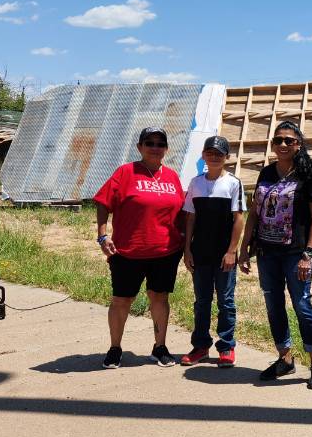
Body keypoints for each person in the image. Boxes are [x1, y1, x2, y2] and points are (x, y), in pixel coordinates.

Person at [239, 120, 312, 389]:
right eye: (278, 140)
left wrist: (308, 254)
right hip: (267, 252)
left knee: (302, 304)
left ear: (299, 144)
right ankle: (285, 358)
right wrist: (244, 248)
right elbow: (254, 212)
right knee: (273, 305)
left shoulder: (309, 175)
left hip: (296, 253)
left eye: (289, 140)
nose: (283, 144)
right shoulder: (266, 173)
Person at [94, 127, 185, 368]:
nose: (155, 147)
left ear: (166, 149)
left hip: (165, 252)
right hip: (128, 252)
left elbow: (182, 213)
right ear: (140, 147)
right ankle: (115, 348)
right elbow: (103, 202)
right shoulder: (126, 172)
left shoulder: (172, 177)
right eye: (149, 143)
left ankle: (160, 347)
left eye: (160, 143)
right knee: (122, 300)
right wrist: (102, 236)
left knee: (160, 297)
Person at [180, 136, 246, 368]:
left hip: (223, 254)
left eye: (219, 153)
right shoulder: (195, 183)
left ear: (227, 156)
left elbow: (238, 219)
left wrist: (232, 251)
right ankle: (200, 346)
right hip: (200, 252)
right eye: (210, 152)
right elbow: (190, 218)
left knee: (226, 301)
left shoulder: (233, 183)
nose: (214, 157)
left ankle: (226, 346)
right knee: (202, 301)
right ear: (203, 155)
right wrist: (187, 249)